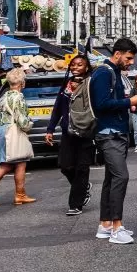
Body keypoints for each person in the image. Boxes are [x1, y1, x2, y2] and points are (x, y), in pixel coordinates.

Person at [86, 39, 137, 243]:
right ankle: (116, 227)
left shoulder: (113, 73)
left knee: (111, 178)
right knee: (121, 177)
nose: (131, 62)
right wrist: (128, 102)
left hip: (116, 132)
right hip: (109, 133)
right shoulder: (104, 72)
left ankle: (105, 224)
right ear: (118, 54)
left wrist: (126, 104)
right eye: (129, 58)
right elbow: (101, 104)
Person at [46, 55, 93, 215]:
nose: (75, 67)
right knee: (65, 166)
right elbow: (58, 107)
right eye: (73, 65)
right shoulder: (66, 84)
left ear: (86, 67)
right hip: (68, 132)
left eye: (79, 65)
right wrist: (50, 129)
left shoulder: (90, 83)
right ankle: (82, 187)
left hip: (85, 131)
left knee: (82, 168)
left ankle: (76, 204)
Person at [0, 68, 36, 208]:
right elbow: (22, 120)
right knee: (7, 164)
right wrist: (29, 124)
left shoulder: (3, 97)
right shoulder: (18, 97)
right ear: (22, 83)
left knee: (19, 162)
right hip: (12, 132)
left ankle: (20, 194)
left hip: (1, 131)